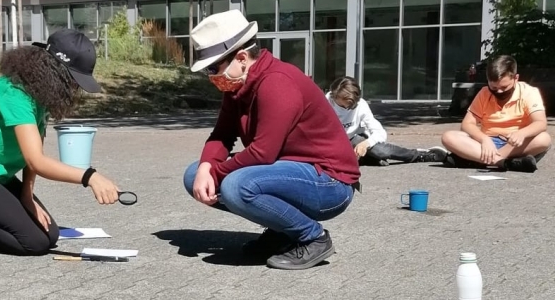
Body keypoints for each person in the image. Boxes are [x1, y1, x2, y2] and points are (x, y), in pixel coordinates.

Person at [181, 10, 361, 271]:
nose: (211, 76)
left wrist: (215, 172)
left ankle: (313, 238)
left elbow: (262, 153)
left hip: (330, 183)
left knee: (235, 186)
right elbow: (221, 135)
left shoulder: (277, 83)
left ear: (241, 58)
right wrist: (207, 167)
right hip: (291, 172)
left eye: (213, 67)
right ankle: (282, 232)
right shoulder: (237, 87)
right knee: (193, 175)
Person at [0, 29, 120, 255]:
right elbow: (37, 161)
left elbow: (32, 154)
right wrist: (89, 177)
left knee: (50, 234)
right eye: (73, 80)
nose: (74, 88)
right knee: (34, 242)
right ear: (57, 71)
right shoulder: (15, 93)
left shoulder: (41, 95)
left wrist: (27, 195)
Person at [441, 55, 551, 172]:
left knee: (544, 139)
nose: (499, 91)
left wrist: (522, 133)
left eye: (504, 87)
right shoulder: (484, 93)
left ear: (516, 78)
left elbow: (540, 123)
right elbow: (467, 124)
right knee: (448, 137)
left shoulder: (529, 92)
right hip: (488, 142)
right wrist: (484, 140)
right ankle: (505, 162)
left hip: (516, 144)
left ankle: (480, 159)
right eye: (493, 87)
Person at [325, 76, 448, 166]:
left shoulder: (361, 105)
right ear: (333, 97)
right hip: (330, 143)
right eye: (342, 106)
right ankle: (369, 159)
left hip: (353, 139)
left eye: (350, 107)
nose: (347, 109)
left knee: (381, 151)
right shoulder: (324, 104)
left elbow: (380, 133)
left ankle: (419, 155)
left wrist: (365, 144)